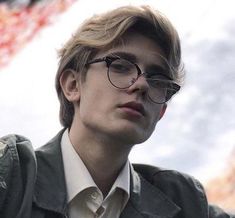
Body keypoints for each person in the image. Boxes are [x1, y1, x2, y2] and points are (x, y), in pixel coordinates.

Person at [0, 5, 234, 218]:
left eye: (157, 79)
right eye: (120, 66)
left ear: (161, 111)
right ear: (72, 85)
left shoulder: (187, 205)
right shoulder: (10, 178)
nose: (141, 85)